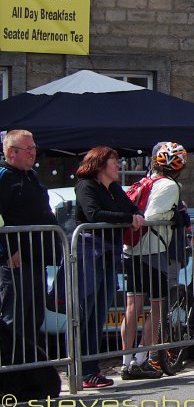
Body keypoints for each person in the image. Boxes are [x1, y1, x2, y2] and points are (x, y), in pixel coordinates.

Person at [74, 147, 145, 389]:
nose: (118, 166)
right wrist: (127, 219)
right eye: (114, 161)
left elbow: (132, 206)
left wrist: (135, 214)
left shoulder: (114, 188)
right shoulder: (86, 186)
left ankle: (92, 369)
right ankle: (82, 371)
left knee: (99, 315)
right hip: (88, 255)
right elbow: (94, 214)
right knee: (86, 314)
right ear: (101, 164)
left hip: (107, 255)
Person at [120, 142, 187, 380]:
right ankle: (140, 359)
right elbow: (153, 217)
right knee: (157, 307)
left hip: (131, 250)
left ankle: (126, 360)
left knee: (132, 306)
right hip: (153, 251)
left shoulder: (143, 182)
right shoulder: (170, 186)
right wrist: (175, 214)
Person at [0, 130, 59, 368]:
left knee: (34, 319)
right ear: (11, 152)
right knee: (14, 321)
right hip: (16, 262)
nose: (33, 153)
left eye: (34, 148)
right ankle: (10, 374)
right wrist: (7, 250)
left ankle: (30, 372)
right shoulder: (4, 177)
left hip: (36, 259)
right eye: (28, 149)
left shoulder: (31, 176)